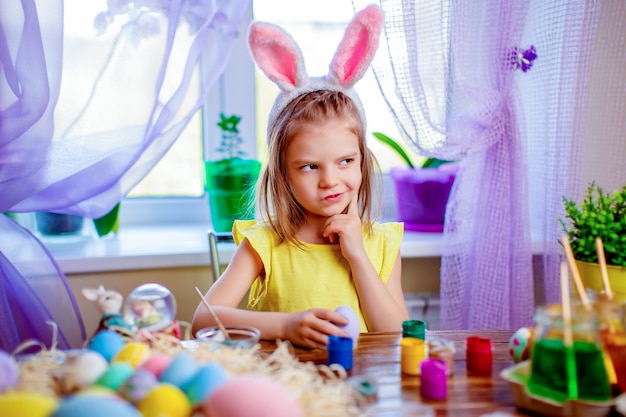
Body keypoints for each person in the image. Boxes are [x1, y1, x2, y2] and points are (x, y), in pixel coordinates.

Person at [192, 4, 409, 349]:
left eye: (345, 161)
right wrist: (285, 325)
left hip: (359, 395)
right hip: (283, 391)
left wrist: (357, 257)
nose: (330, 180)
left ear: (362, 162)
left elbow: (396, 336)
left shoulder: (381, 244)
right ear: (283, 174)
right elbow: (203, 320)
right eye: (310, 166)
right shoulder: (265, 243)